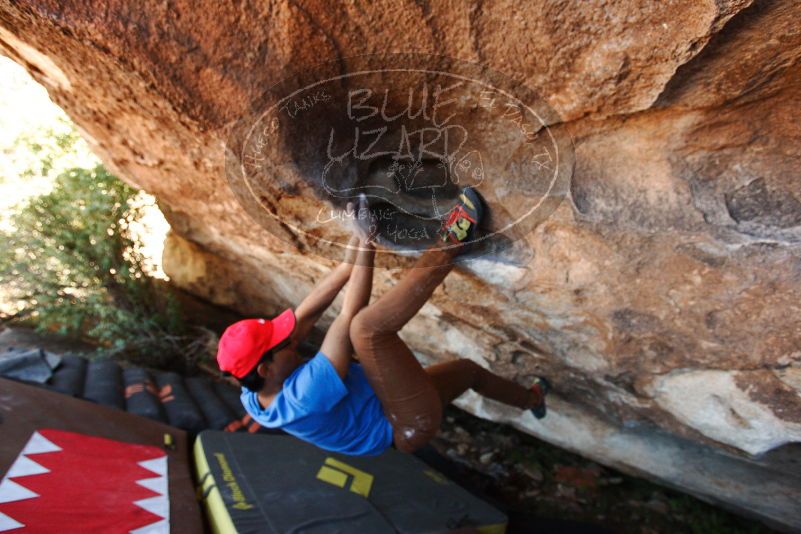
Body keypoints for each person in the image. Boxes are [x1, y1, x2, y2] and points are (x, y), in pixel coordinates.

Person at [216, 188, 550, 456]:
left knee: (468, 372)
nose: (292, 339)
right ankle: (454, 239)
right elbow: (348, 317)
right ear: (264, 369)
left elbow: (307, 314)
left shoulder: (254, 385)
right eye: (283, 342)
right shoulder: (304, 397)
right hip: (403, 424)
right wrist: (366, 241)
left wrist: (352, 249)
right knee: (366, 329)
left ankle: (532, 400)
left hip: (383, 398)